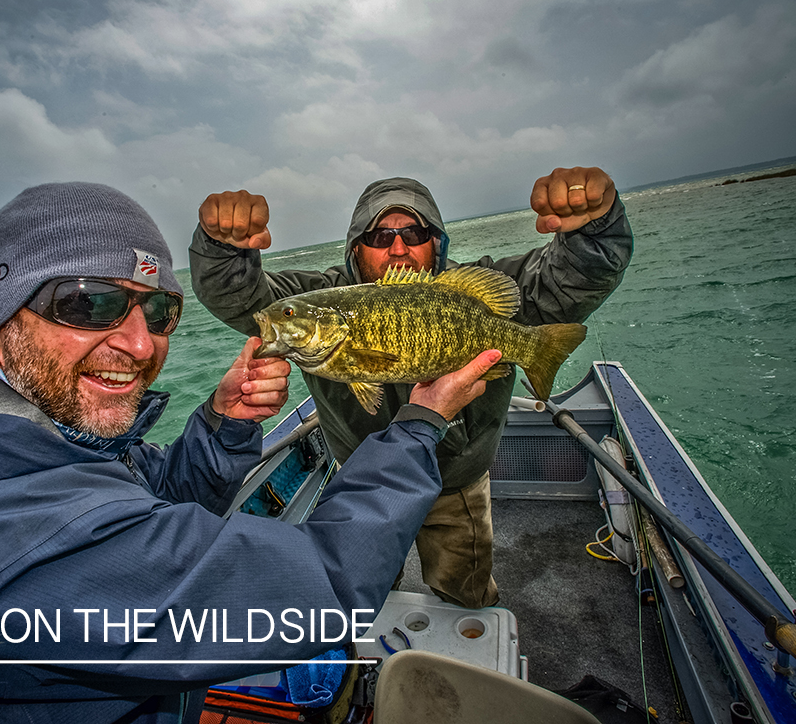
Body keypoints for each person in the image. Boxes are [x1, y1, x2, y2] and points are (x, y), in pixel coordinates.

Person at [0, 181, 504, 724]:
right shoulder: (1, 548)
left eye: (157, 310)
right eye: (89, 303)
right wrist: (417, 421)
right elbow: (319, 591)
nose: (141, 343)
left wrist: (220, 421)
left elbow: (138, 490)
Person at [189, 168, 633, 609]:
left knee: (465, 586)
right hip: (364, 484)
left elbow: (571, 278)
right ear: (355, 248)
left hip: (456, 480)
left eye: (415, 232)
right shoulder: (323, 298)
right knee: (367, 591)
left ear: (436, 241)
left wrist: (592, 230)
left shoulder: (468, 290)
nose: (398, 247)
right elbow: (245, 298)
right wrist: (223, 249)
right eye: (380, 237)